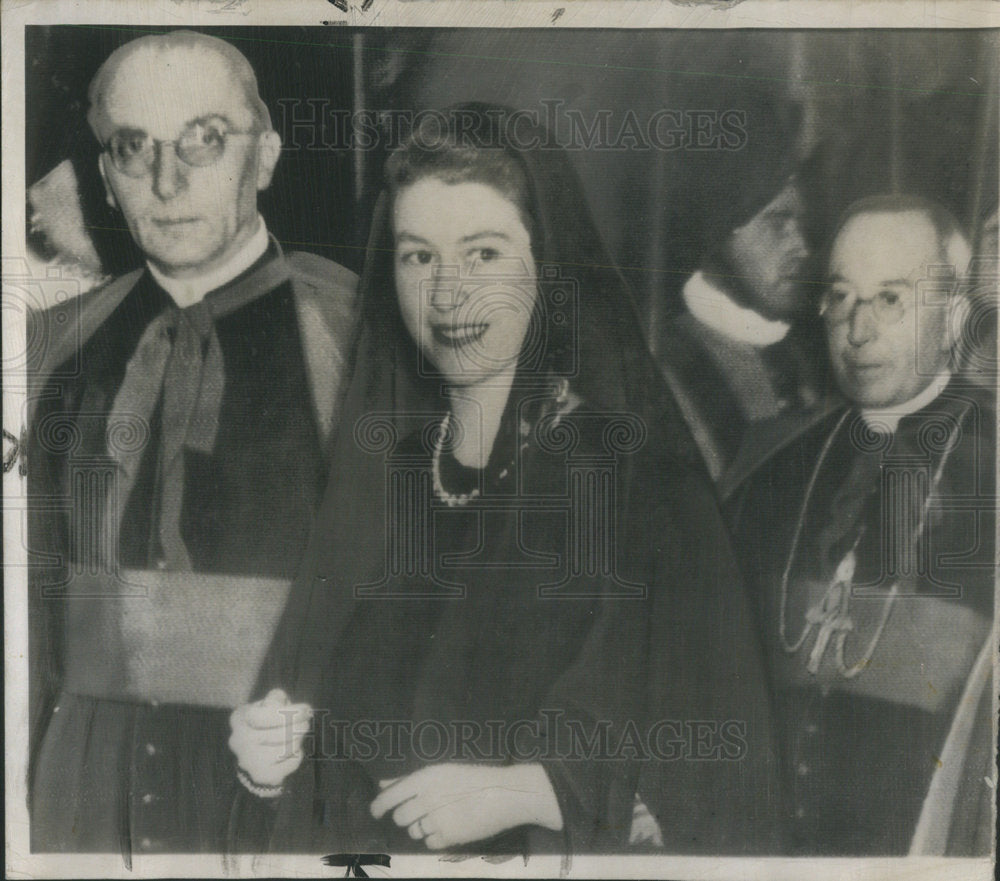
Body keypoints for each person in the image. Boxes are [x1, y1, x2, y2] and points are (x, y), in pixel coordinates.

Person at [227, 104, 783, 856]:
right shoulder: (388, 473)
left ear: (546, 267)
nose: (449, 293)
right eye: (418, 256)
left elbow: (713, 763)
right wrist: (272, 755)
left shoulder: (630, 480)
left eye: (483, 253)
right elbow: (316, 705)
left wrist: (534, 789)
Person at [26, 31, 358, 854]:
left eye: (205, 140)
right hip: (82, 788)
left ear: (267, 154)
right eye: (134, 148)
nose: (167, 182)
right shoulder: (48, 349)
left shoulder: (358, 336)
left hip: (287, 788)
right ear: (104, 177)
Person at [725, 194, 995, 855]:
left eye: (891, 300)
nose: (859, 330)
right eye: (842, 297)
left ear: (953, 316)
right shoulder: (769, 461)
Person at [655, 93, 825, 483]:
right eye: (777, 222)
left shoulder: (811, 352)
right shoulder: (668, 376)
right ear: (718, 237)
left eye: (800, 221)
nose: (801, 245)